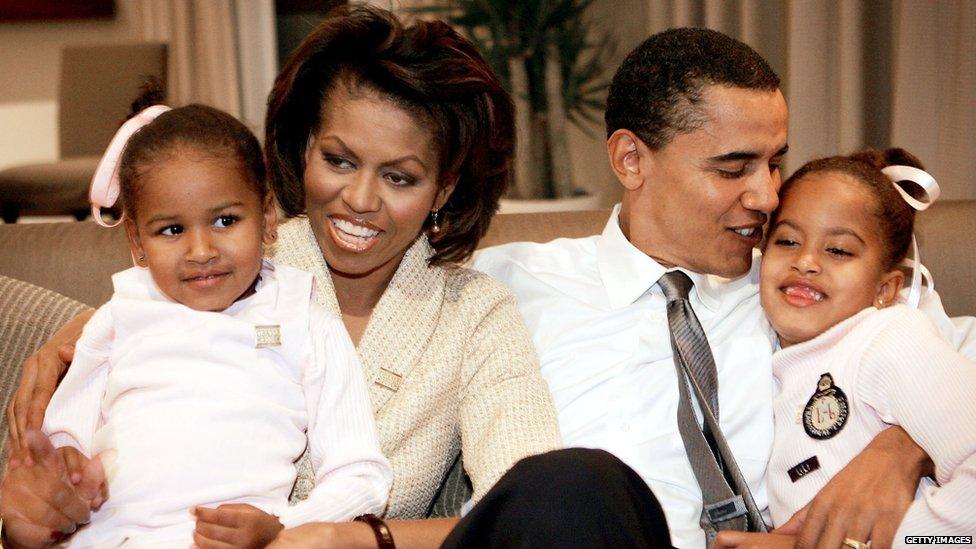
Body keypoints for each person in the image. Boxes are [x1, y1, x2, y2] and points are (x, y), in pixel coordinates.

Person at [1, 6, 561, 548]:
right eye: (339, 161)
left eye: (399, 177)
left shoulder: (473, 315)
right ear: (303, 149)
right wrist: (64, 352)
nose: (360, 200)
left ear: (443, 189)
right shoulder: (225, 257)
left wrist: (347, 538)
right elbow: (130, 341)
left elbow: (530, 512)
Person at [474, 28, 976, 548]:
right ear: (630, 159)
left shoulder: (811, 288)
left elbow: (953, 377)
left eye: (775, 163)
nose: (766, 195)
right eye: (733, 168)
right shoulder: (506, 287)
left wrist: (903, 446)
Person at [35, 89, 392, 547]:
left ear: (266, 217)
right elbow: (63, 436)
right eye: (172, 230)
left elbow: (362, 475)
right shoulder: (118, 317)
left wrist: (286, 525)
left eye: (225, 221)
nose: (201, 251)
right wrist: (64, 468)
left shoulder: (304, 320)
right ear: (137, 242)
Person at [714, 149, 976, 548]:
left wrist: (890, 543)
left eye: (838, 250)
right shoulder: (770, 366)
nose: (805, 260)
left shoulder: (889, 337)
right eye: (787, 241)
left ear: (886, 290)